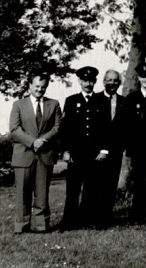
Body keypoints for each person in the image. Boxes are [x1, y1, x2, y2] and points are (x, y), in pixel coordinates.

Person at [9, 70, 62, 233]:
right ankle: (21, 226)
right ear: (30, 85)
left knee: (42, 193)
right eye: (37, 86)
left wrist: (42, 140)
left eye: (43, 86)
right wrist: (33, 142)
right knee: (22, 193)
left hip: (45, 155)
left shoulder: (53, 104)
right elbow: (14, 129)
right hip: (23, 154)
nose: (40, 89)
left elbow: (57, 127)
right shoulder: (18, 104)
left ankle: (41, 226)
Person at [61, 66, 109, 229]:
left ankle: (89, 220)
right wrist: (66, 150)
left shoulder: (103, 101)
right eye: (84, 80)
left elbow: (106, 128)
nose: (88, 84)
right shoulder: (71, 101)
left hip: (95, 153)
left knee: (93, 188)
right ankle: (68, 223)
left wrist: (104, 149)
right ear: (80, 81)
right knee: (73, 189)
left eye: (91, 80)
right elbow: (65, 128)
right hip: (76, 153)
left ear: (95, 81)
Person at [126, 61, 146, 222]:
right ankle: (137, 215)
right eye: (143, 76)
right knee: (139, 183)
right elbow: (127, 125)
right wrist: (130, 148)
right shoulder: (132, 98)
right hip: (139, 150)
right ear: (139, 78)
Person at [96, 69, 127, 227]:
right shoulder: (95, 99)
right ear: (103, 82)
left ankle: (107, 218)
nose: (112, 83)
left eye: (115, 80)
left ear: (119, 83)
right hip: (96, 151)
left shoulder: (124, 102)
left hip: (116, 151)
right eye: (109, 80)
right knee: (96, 185)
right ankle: (94, 218)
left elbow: (126, 128)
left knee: (111, 184)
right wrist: (102, 148)